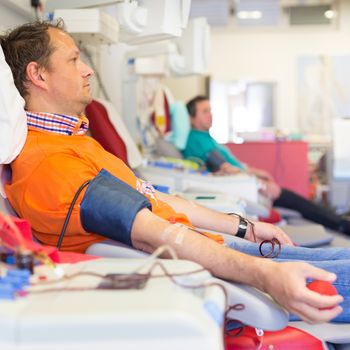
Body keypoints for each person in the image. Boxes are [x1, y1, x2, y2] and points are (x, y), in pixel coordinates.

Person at [1, 21, 349, 324]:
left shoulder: (74, 141)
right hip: (212, 266)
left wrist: (244, 227)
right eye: (75, 59)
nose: (88, 69)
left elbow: (152, 197)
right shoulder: (51, 163)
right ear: (38, 74)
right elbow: (155, 234)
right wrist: (266, 274)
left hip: (211, 248)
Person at [184, 95, 350, 234]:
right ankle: (341, 224)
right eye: (205, 112)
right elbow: (226, 169)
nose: (210, 115)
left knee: (298, 202)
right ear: (192, 118)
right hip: (246, 186)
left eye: (210, 111)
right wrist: (262, 185)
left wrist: (257, 172)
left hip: (249, 181)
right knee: (298, 202)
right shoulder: (197, 141)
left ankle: (339, 221)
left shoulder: (206, 138)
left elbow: (234, 165)